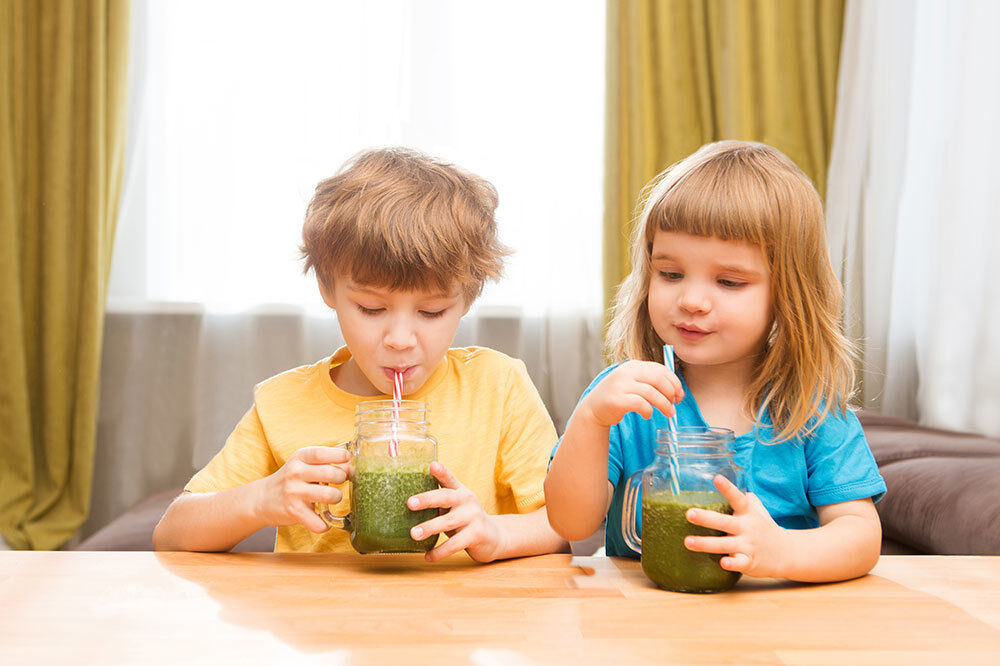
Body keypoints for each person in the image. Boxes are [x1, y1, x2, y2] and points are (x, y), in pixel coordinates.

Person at [154, 147, 567, 562]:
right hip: (326, 621)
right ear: (328, 289)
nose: (401, 339)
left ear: (467, 299)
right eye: (371, 309)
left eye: (432, 311)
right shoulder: (282, 403)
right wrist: (261, 498)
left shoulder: (497, 386)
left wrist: (496, 533)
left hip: (462, 623)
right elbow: (171, 533)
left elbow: (563, 524)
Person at [545, 140, 886, 583]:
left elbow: (861, 537)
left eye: (728, 281)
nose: (691, 300)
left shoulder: (812, 411)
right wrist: (591, 420)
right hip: (646, 630)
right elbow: (570, 524)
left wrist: (780, 551)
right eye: (670, 274)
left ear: (788, 293)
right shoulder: (625, 400)